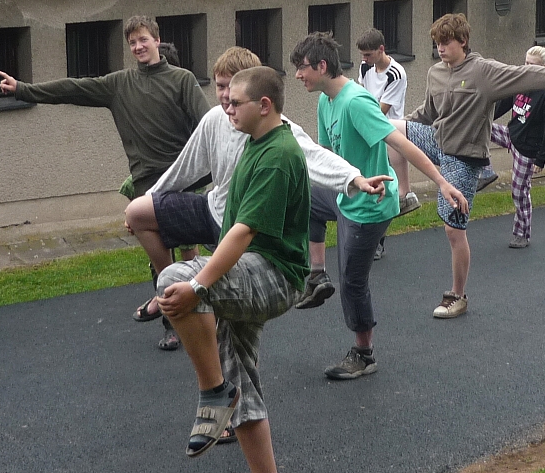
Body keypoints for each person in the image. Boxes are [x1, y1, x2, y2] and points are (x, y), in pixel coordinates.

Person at [126, 47, 390, 328]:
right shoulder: (214, 119)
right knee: (138, 212)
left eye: (232, 89)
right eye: (220, 87)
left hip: (242, 229)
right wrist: (152, 196)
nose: (226, 96)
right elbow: (185, 167)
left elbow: (315, 156)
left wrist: (355, 178)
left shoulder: (276, 134)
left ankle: (184, 297)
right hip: (213, 209)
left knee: (231, 324)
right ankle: (168, 293)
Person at [0, 15, 209, 350]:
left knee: (187, 251)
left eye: (143, 39)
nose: (138, 47)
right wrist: (24, 90)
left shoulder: (181, 79)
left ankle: (197, 309)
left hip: (180, 179)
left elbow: (207, 125)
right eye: (132, 43)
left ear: (157, 40)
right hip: (145, 182)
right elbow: (74, 88)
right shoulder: (119, 84)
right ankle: (172, 322)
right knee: (160, 258)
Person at [157, 67, 307, 473]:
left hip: (273, 275)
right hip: (250, 272)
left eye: (235, 102)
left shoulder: (277, 154)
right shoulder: (256, 143)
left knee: (174, 278)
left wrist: (198, 285)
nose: (226, 108)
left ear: (264, 105)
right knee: (242, 379)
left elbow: (243, 232)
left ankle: (214, 393)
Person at [293, 32, 468, 378]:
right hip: (347, 192)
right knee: (307, 196)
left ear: (322, 66)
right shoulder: (326, 100)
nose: (298, 75)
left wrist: (441, 182)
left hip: (370, 204)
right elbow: (326, 154)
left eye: (302, 68)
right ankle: (317, 274)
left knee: (352, 281)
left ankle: (364, 353)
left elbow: (400, 143)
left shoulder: (355, 102)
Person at [405, 14, 545, 318]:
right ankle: (403, 196)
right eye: (437, 43)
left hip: (464, 159)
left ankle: (457, 296)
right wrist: (399, 120)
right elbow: (427, 112)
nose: (440, 48)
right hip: (437, 142)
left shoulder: (482, 71)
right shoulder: (435, 73)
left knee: (453, 231)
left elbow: (523, 74)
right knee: (389, 129)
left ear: (463, 41)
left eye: (446, 42)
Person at [489, 46, 545, 249]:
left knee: (519, 191)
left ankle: (522, 234)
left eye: (532, 65)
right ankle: (483, 169)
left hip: (528, 148)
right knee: (478, 125)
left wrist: (541, 158)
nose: (527, 67)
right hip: (512, 135)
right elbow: (501, 106)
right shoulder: (520, 82)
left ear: (543, 67)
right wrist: (482, 115)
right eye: (526, 63)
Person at [356, 28, 420, 232]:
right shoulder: (365, 67)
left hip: (387, 131)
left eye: (368, 54)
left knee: (384, 185)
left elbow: (381, 111)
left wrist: (360, 122)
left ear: (381, 49)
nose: (364, 59)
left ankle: (404, 196)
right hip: (368, 127)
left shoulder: (396, 74)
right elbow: (361, 95)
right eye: (362, 55)